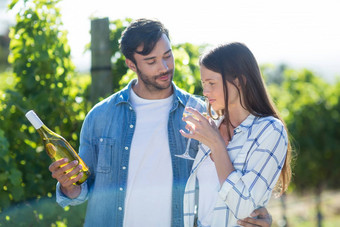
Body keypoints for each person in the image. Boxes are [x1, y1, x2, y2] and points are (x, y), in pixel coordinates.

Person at [48, 19, 273, 227]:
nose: (164, 67)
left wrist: (257, 214)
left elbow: (230, 179)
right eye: (151, 61)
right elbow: (82, 189)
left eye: (167, 55)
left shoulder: (203, 114)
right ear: (131, 64)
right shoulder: (100, 117)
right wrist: (69, 186)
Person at [181, 42, 292, 227]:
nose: (205, 92)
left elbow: (243, 207)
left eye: (211, 83)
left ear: (239, 81)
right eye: (203, 83)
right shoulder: (211, 126)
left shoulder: (269, 130)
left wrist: (217, 145)